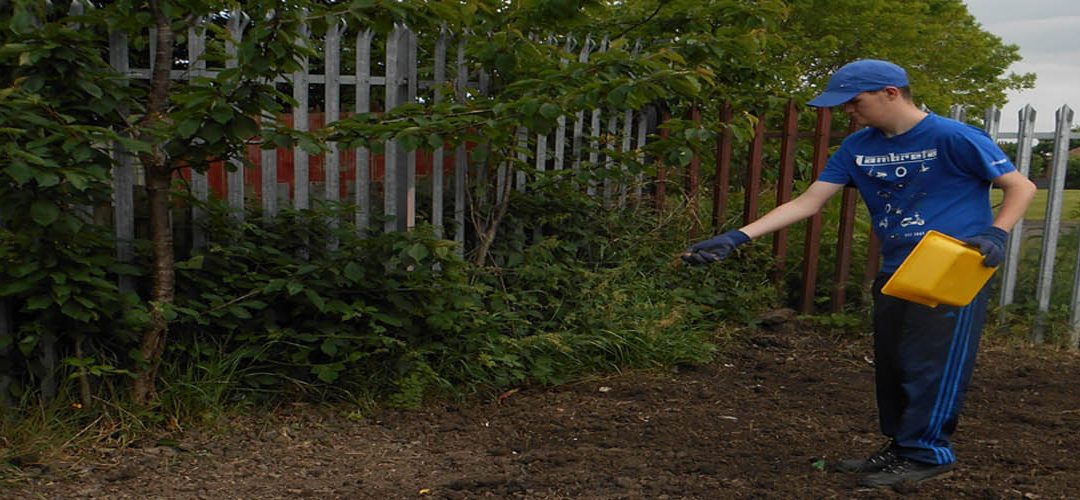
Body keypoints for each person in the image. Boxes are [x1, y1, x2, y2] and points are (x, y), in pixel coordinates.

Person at [682, 59, 1036, 488]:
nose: (848, 111)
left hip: (952, 266)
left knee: (933, 364)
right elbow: (807, 202)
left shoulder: (953, 137)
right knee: (894, 363)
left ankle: (928, 452)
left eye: (855, 101)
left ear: (890, 93)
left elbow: (1021, 186)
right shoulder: (856, 148)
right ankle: (901, 447)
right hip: (897, 268)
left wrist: (995, 233)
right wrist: (739, 236)